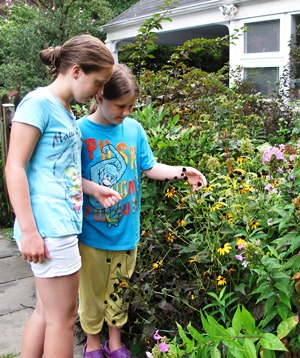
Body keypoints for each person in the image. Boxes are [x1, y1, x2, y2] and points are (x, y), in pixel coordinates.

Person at [77, 63, 207, 358]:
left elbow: (149, 167)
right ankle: (93, 345)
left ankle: (115, 343)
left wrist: (183, 172)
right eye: (120, 105)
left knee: (120, 290)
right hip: (92, 234)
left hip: (126, 232)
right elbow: (69, 178)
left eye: (131, 106)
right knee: (92, 294)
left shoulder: (133, 129)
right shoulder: (80, 131)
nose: (125, 112)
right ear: (99, 96)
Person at [5, 34, 118, 358]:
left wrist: (92, 188)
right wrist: (29, 231)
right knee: (63, 320)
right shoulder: (38, 103)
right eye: (98, 83)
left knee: (45, 312)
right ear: (77, 71)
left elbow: (56, 170)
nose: (99, 93)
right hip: (49, 227)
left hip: (58, 224)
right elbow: (15, 167)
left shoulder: (64, 110)